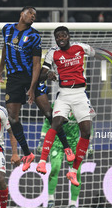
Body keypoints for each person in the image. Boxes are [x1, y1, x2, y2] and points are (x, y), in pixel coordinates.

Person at [0, 6, 74, 172]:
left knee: (48, 113)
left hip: (31, 77)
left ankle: (66, 147)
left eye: (35, 15)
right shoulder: (7, 29)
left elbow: (37, 63)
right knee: (13, 118)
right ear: (21, 14)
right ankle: (27, 154)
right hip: (13, 79)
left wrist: (31, 88)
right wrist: (0, 68)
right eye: (30, 13)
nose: (33, 16)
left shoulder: (34, 36)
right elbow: (5, 47)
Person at [36, 26, 101, 186]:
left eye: (63, 35)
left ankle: (73, 172)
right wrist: (48, 74)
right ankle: (42, 161)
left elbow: (98, 54)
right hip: (64, 94)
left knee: (85, 132)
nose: (61, 38)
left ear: (68, 36)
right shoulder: (53, 53)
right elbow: (41, 74)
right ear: (55, 39)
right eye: (58, 37)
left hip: (80, 94)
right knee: (56, 122)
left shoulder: (81, 47)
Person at [37, 102, 94, 208]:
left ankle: (73, 204)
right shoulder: (57, 104)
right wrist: (41, 140)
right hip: (57, 142)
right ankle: (50, 201)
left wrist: (89, 143)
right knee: (55, 168)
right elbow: (48, 123)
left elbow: (87, 126)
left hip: (74, 144)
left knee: (76, 173)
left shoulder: (81, 104)